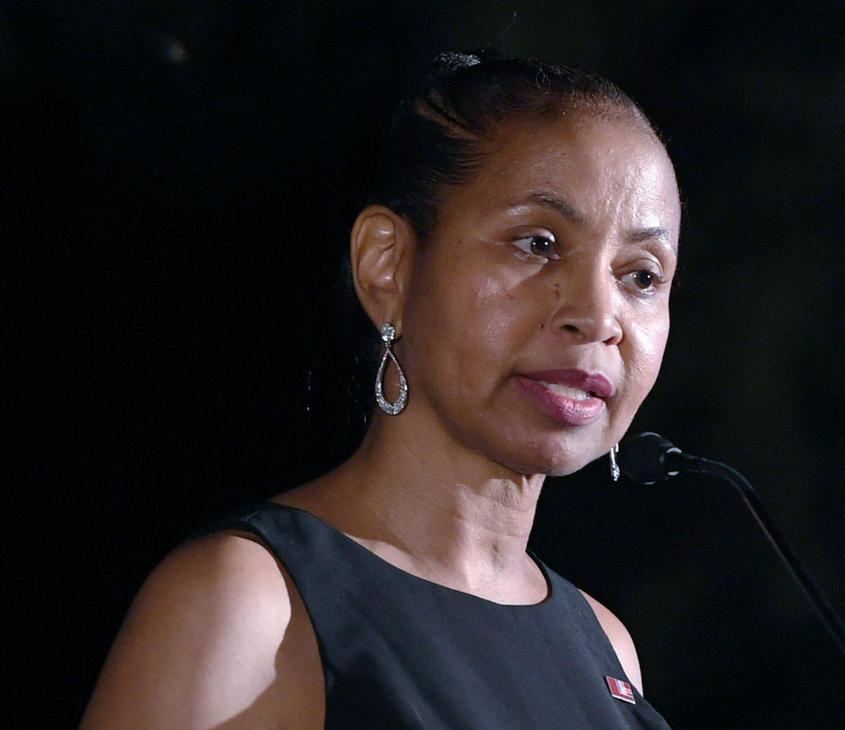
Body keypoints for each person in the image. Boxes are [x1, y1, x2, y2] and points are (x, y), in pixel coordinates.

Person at [81, 51, 680, 729]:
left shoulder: (608, 651)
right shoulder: (252, 606)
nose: (600, 316)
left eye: (641, 276)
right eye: (537, 243)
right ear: (387, 267)